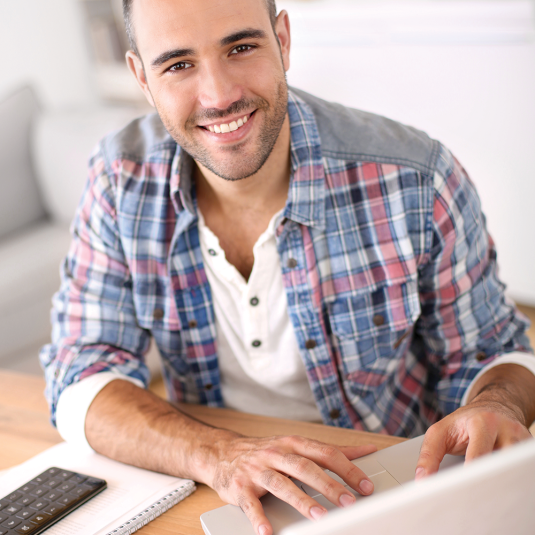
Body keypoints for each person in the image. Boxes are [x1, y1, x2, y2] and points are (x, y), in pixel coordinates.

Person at [40, 1, 535, 534]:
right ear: (141, 75)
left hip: (393, 489)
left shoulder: (417, 177)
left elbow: (496, 352)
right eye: (178, 65)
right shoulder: (119, 181)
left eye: (241, 47)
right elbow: (80, 374)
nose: (218, 95)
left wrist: (498, 401)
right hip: (231, 493)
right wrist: (219, 456)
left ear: (283, 40)